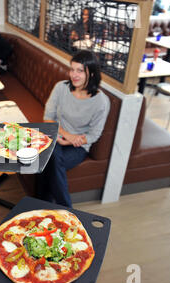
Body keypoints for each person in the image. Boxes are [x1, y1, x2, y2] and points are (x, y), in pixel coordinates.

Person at [38, 50, 110, 208]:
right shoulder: (60, 88)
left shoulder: (101, 102)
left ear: (91, 73)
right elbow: (48, 117)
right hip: (55, 136)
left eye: (80, 71)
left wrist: (70, 141)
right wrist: (65, 135)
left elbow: (93, 135)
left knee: (51, 159)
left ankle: (46, 205)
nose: (74, 75)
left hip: (78, 147)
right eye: (72, 69)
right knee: (53, 156)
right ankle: (66, 211)